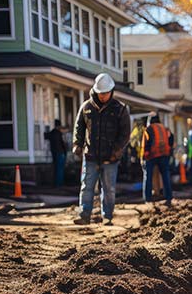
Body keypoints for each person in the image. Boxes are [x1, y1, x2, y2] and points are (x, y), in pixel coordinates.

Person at [72, 73, 131, 226]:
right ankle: (84, 215)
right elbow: (79, 127)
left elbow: (125, 134)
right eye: (101, 93)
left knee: (109, 189)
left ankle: (108, 216)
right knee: (86, 187)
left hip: (110, 157)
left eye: (105, 93)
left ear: (111, 91)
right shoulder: (86, 108)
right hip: (90, 155)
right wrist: (77, 144)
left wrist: (117, 151)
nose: (103, 96)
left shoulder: (120, 109)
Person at [141, 115, 173, 206]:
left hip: (152, 155)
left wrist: (144, 157)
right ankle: (169, 197)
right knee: (166, 176)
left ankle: (148, 198)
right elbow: (171, 140)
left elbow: (145, 144)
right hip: (164, 154)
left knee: (148, 177)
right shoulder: (165, 129)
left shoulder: (148, 129)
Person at [45, 119, 68, 187]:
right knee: (60, 169)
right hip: (60, 152)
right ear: (59, 126)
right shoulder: (59, 133)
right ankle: (59, 184)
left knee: (56, 169)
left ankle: (57, 183)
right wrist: (65, 152)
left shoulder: (51, 133)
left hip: (54, 153)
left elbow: (46, 137)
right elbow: (63, 143)